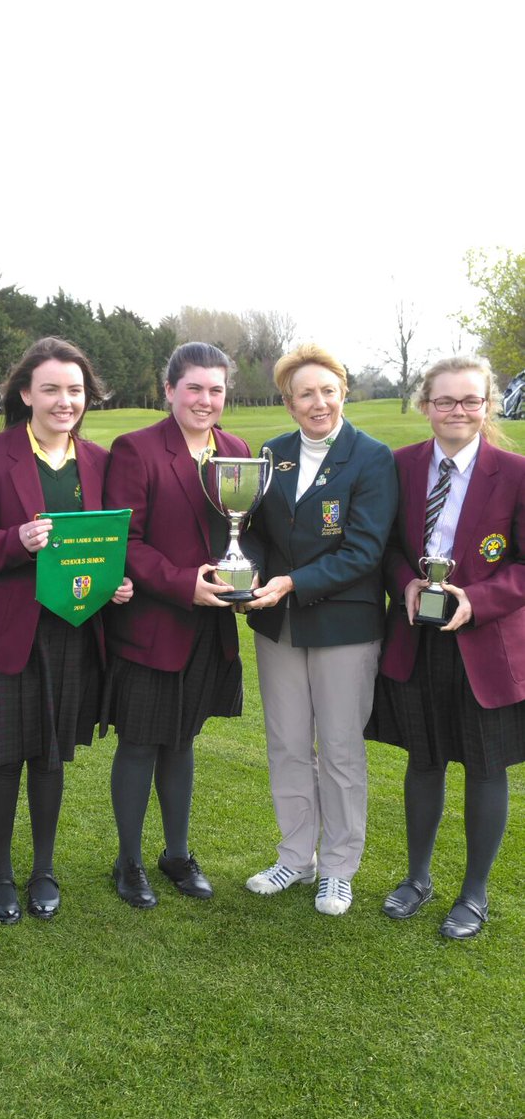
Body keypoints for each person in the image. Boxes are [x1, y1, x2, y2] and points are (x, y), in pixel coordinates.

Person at [0, 337, 132, 925]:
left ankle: (43, 869)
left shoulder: (102, 462)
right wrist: (18, 540)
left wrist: (115, 584)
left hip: (73, 630)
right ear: (26, 393)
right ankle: (1, 871)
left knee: (50, 756)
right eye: (51, 389)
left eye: (75, 390)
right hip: (9, 634)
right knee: (6, 757)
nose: (64, 401)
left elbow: (104, 549)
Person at [368, 355, 525, 939]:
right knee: (424, 761)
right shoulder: (399, 466)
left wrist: (477, 602)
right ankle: (417, 878)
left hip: (484, 646)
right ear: (425, 406)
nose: (458, 411)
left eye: (471, 401)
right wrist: (405, 581)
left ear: (487, 406)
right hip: (417, 641)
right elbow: (382, 548)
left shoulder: (515, 472)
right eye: (445, 401)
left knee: (486, 770)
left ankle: (474, 893)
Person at [243, 342, 397, 915]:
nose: (319, 402)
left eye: (328, 390)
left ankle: (337, 868)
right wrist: (251, 574)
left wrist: (289, 582)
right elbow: (252, 529)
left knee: (338, 750)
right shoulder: (272, 452)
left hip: (343, 625)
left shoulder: (372, 457)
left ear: (343, 393)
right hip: (277, 624)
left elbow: (363, 550)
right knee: (285, 745)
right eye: (306, 393)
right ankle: (294, 857)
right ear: (288, 402)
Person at [103, 342, 250, 908]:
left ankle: (177, 855)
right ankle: (129, 861)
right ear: (169, 390)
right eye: (194, 387)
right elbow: (126, 543)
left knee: (183, 743)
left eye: (215, 389)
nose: (205, 399)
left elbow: (243, 533)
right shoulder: (136, 449)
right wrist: (182, 582)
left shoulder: (235, 449)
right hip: (153, 623)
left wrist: (246, 581)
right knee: (140, 744)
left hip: (210, 629)